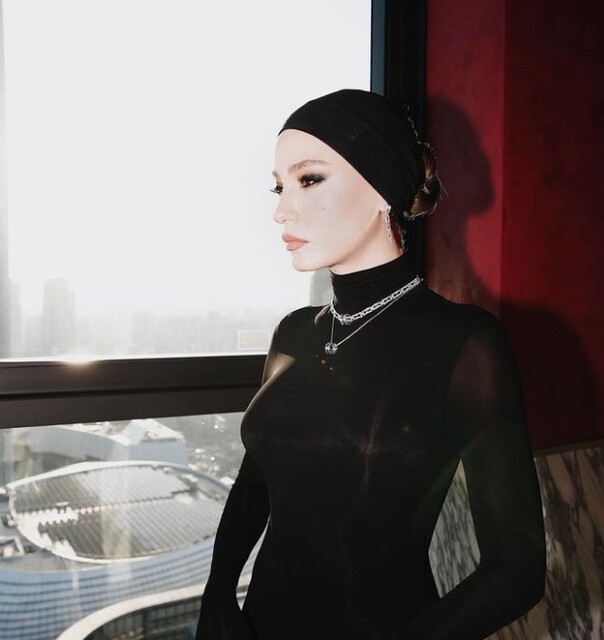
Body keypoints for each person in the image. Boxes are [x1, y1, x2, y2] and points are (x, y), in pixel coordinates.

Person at [195, 88, 546, 640]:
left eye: (310, 179)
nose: (281, 210)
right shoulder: (292, 331)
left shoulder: (465, 344)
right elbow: (256, 480)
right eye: (280, 186)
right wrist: (217, 596)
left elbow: (517, 571)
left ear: (382, 188)